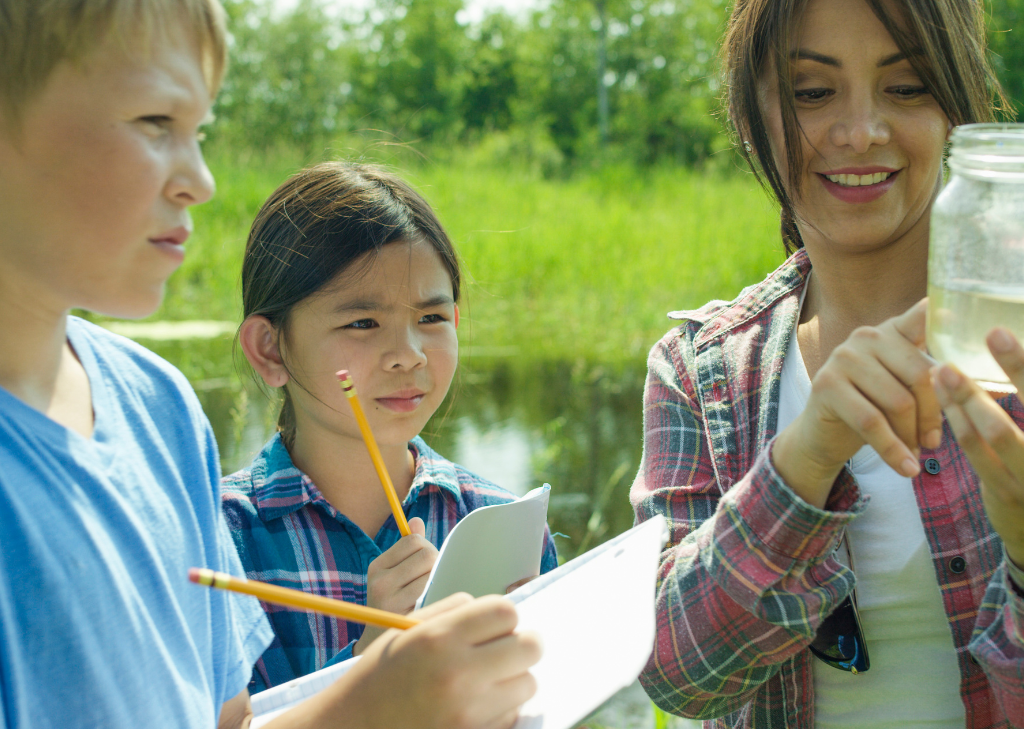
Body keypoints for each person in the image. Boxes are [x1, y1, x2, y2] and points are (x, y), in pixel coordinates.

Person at [0, 2, 540, 728]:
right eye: (155, 123)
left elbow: (226, 720)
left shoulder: (159, 406)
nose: (201, 179)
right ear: (269, 348)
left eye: (199, 133)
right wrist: (373, 692)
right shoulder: (234, 510)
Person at [629, 0, 1024, 726]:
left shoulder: (1011, 350)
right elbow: (675, 676)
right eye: (813, 92)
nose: (861, 132)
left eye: (906, 88)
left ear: (956, 113)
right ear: (751, 118)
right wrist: (805, 458)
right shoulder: (700, 369)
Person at [223, 161, 560, 692]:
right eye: (362, 323)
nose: (407, 355)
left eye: (431, 318)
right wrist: (369, 664)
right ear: (270, 347)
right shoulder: (222, 538)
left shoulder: (500, 524)